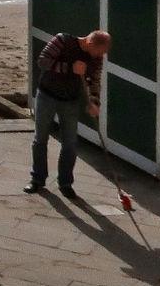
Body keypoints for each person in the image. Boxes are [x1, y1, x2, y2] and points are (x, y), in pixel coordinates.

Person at [26, 28, 110, 198]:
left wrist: (94, 102)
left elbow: (94, 80)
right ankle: (37, 179)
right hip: (47, 95)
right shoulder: (62, 40)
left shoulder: (96, 58)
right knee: (40, 138)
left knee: (70, 143)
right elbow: (42, 61)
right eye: (98, 52)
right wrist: (69, 68)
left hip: (71, 100)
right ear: (90, 42)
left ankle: (65, 183)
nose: (98, 56)